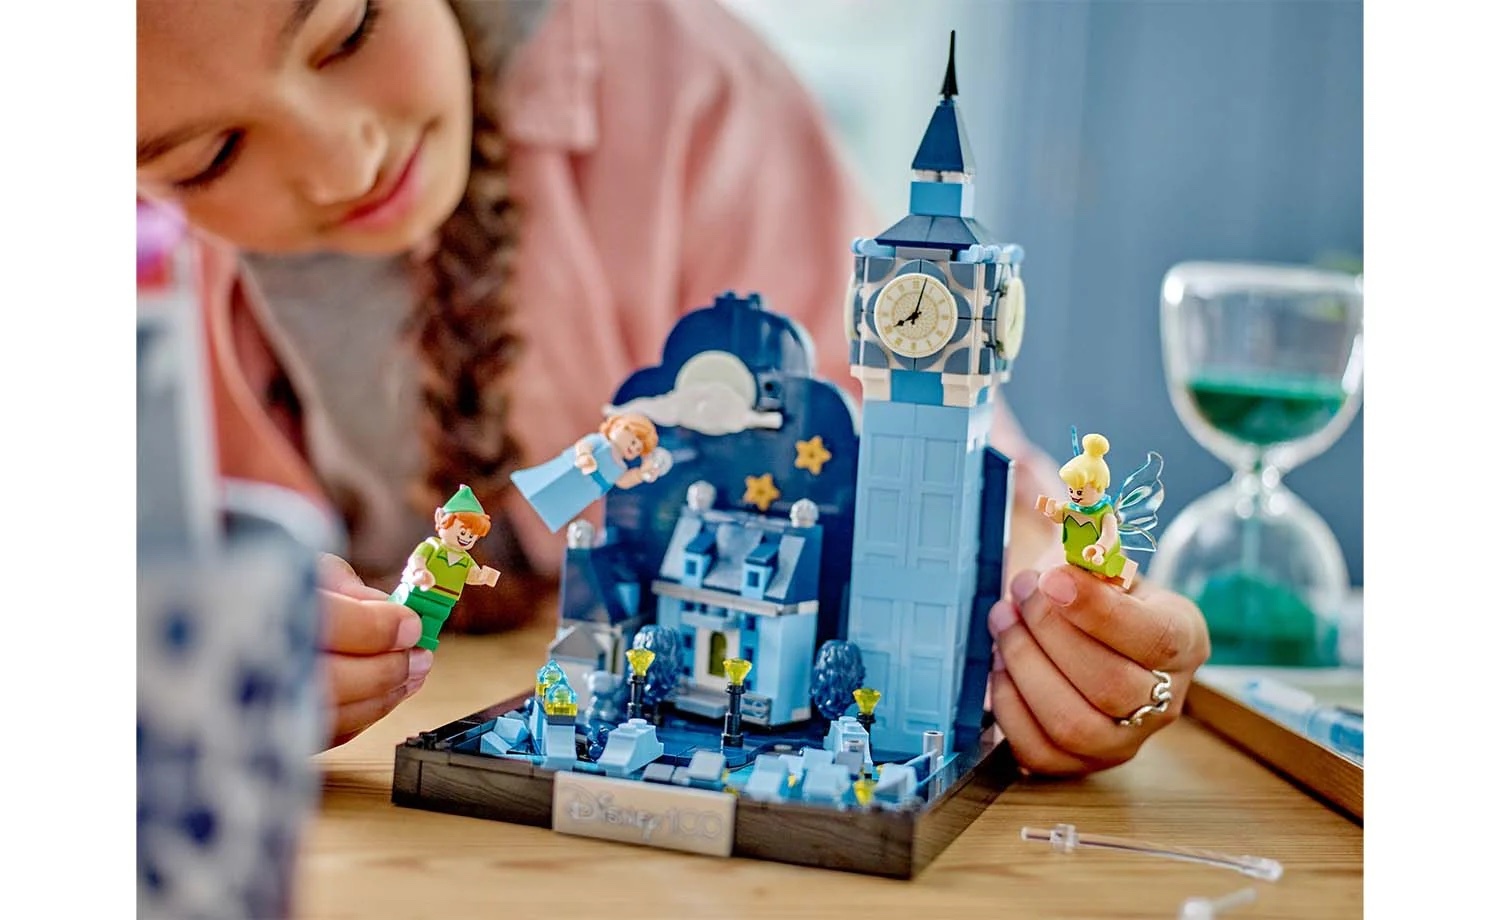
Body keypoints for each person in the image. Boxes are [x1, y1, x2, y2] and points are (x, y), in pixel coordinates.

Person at [136, 0, 1208, 769]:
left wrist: (1073, 632)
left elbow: (976, 501)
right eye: (206, 156)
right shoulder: (149, 292)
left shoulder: (689, 96)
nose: (344, 160)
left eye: (349, 29)